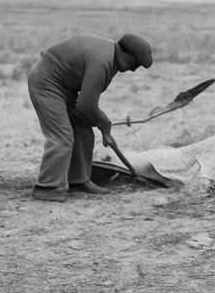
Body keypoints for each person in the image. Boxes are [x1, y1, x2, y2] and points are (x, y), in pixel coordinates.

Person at [27, 33, 153, 202]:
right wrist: (104, 123)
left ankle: (78, 181)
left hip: (65, 86)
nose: (134, 68)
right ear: (124, 53)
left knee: (83, 129)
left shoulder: (110, 57)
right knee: (62, 136)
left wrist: (102, 126)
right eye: (135, 62)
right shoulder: (103, 61)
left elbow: (85, 106)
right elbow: (86, 105)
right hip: (46, 83)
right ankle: (46, 187)